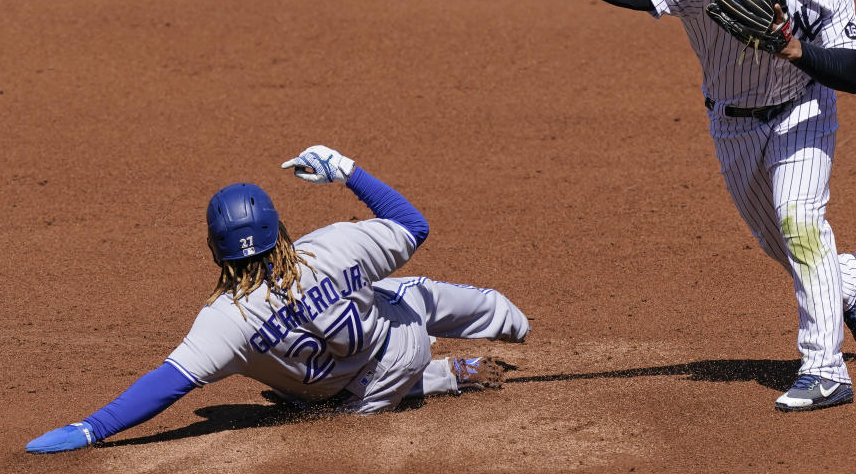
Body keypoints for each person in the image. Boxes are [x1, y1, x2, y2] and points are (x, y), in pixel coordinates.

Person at [469, 0, 856, 412]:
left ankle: (825, 370)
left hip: (803, 115)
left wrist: (792, 50)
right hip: (732, 124)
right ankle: (844, 281)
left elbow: (854, 73)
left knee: (800, 224)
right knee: (775, 240)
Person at [26, 145, 530, 453]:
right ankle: (507, 319)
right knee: (406, 293)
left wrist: (92, 429)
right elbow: (412, 224)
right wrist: (348, 171)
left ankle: (443, 377)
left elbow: (164, 386)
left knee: (288, 393)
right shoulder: (335, 245)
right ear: (280, 230)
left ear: (214, 249)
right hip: (403, 343)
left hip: (361, 401)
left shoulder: (224, 322)